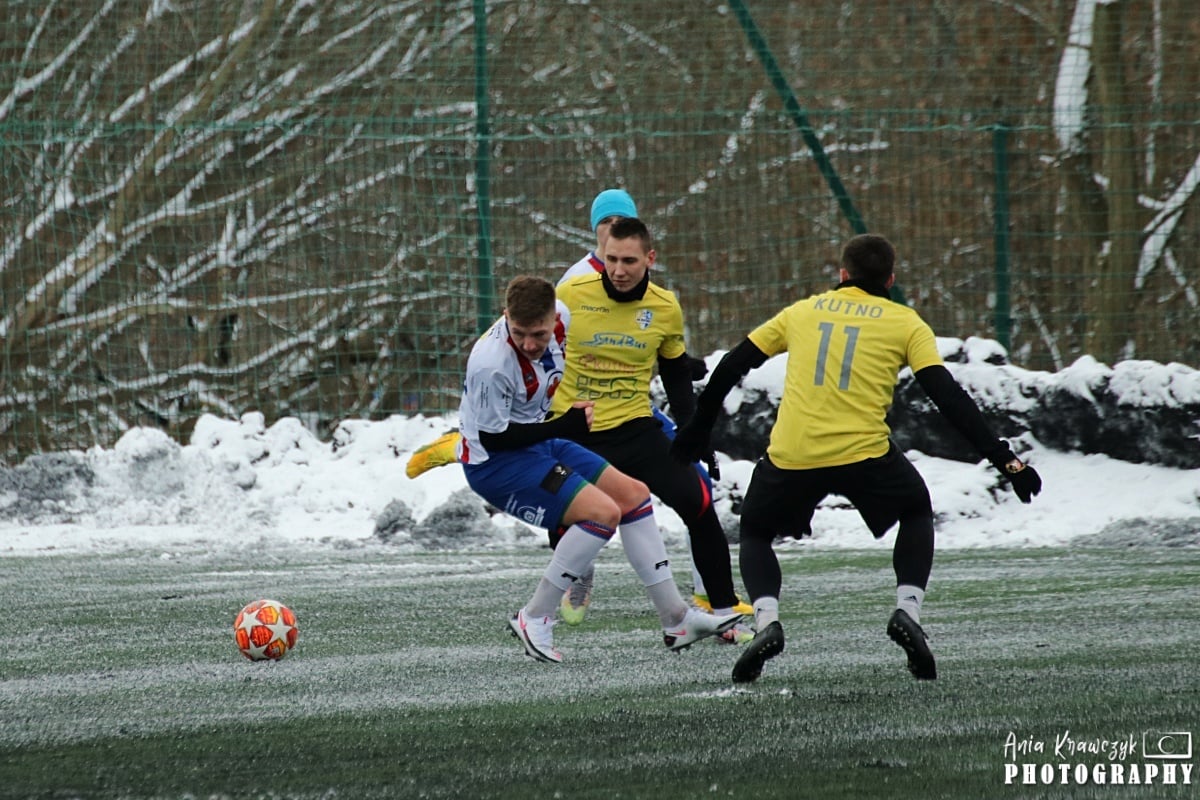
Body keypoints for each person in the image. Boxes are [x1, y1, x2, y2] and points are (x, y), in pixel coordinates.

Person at [671, 233, 1043, 683]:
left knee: (756, 530)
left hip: (794, 453)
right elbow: (947, 396)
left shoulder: (803, 311)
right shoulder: (906, 323)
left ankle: (767, 620)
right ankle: (908, 612)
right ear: (891, 278)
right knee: (915, 509)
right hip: (864, 454)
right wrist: (1006, 460)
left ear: (842, 275)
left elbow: (732, 363)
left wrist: (697, 429)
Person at [458, 275, 742, 662]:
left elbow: (603, 344)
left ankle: (676, 620)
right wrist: (565, 426)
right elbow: (495, 439)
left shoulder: (564, 317)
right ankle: (534, 616)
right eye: (519, 333)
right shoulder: (491, 364)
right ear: (505, 316)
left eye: (538, 334)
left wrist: (673, 361)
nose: (529, 343)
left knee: (634, 496)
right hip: (496, 464)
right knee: (603, 513)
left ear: (553, 318)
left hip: (539, 441)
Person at [552, 216, 753, 638]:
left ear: (650, 258)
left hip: (636, 429)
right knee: (569, 520)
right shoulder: (570, 296)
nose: (619, 270)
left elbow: (676, 375)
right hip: (578, 435)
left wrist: (693, 431)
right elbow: (536, 350)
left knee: (698, 502)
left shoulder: (664, 307)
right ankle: (561, 590)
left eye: (629, 260)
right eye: (610, 260)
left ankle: (722, 612)